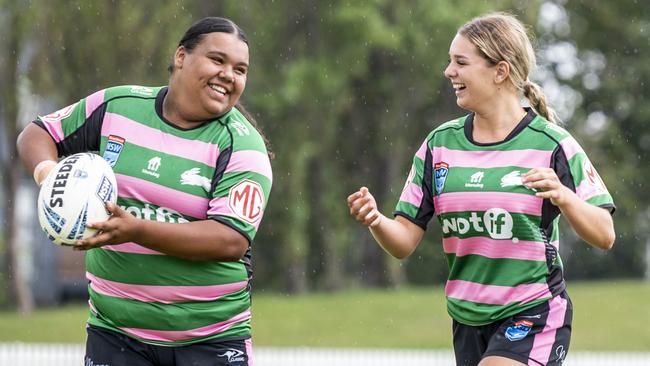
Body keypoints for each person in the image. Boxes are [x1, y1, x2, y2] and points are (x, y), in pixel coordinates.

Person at [347, 13, 615, 366]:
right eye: (449, 61)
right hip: (467, 320)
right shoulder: (438, 146)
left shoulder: (553, 144)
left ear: (500, 71)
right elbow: (403, 242)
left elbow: (605, 235)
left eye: (460, 62)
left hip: (534, 311)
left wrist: (564, 197)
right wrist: (376, 220)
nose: (448, 72)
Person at [17, 17, 272, 366]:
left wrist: (136, 230)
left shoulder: (242, 145)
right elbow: (37, 134)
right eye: (217, 60)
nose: (229, 74)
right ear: (181, 56)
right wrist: (51, 176)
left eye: (240, 69)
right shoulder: (117, 106)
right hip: (116, 335)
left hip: (210, 342)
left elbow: (230, 241)